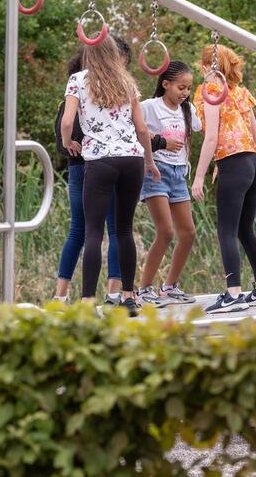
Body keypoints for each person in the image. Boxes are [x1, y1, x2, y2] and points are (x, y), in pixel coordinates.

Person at [61, 35, 159, 317]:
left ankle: (88, 302)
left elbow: (67, 121)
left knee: (93, 232)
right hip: (131, 159)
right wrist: (149, 161)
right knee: (125, 231)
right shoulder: (127, 81)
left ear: (89, 55)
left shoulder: (79, 80)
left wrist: (68, 142)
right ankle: (128, 298)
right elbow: (142, 129)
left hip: (100, 161)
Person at [192, 44, 256, 313]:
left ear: (207, 66)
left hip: (235, 163)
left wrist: (199, 175)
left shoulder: (212, 93)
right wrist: (244, 160)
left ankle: (233, 294)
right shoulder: (239, 93)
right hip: (252, 162)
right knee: (245, 229)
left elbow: (211, 137)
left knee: (226, 231)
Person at [137, 61, 201, 307]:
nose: (185, 92)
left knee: (188, 233)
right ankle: (144, 289)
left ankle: (170, 286)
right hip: (156, 172)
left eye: (188, 88)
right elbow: (134, 129)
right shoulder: (149, 107)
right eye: (180, 87)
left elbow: (204, 122)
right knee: (165, 231)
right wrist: (160, 142)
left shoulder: (188, 110)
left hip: (178, 174)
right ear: (165, 84)